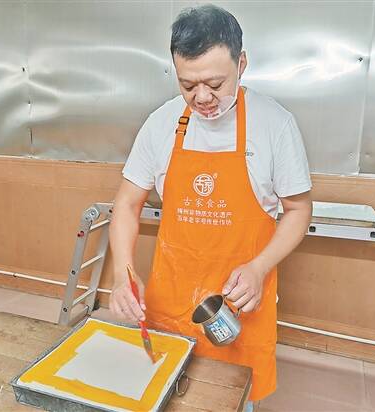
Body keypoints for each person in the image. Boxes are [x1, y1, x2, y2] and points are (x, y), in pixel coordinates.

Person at [109, 4, 312, 410]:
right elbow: (127, 205)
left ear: (242, 64)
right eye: (188, 85)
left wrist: (259, 268)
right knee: (165, 399)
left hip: (239, 306)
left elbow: (298, 211)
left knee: (232, 400)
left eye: (215, 83)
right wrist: (121, 275)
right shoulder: (161, 123)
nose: (202, 97)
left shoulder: (274, 125)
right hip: (171, 300)